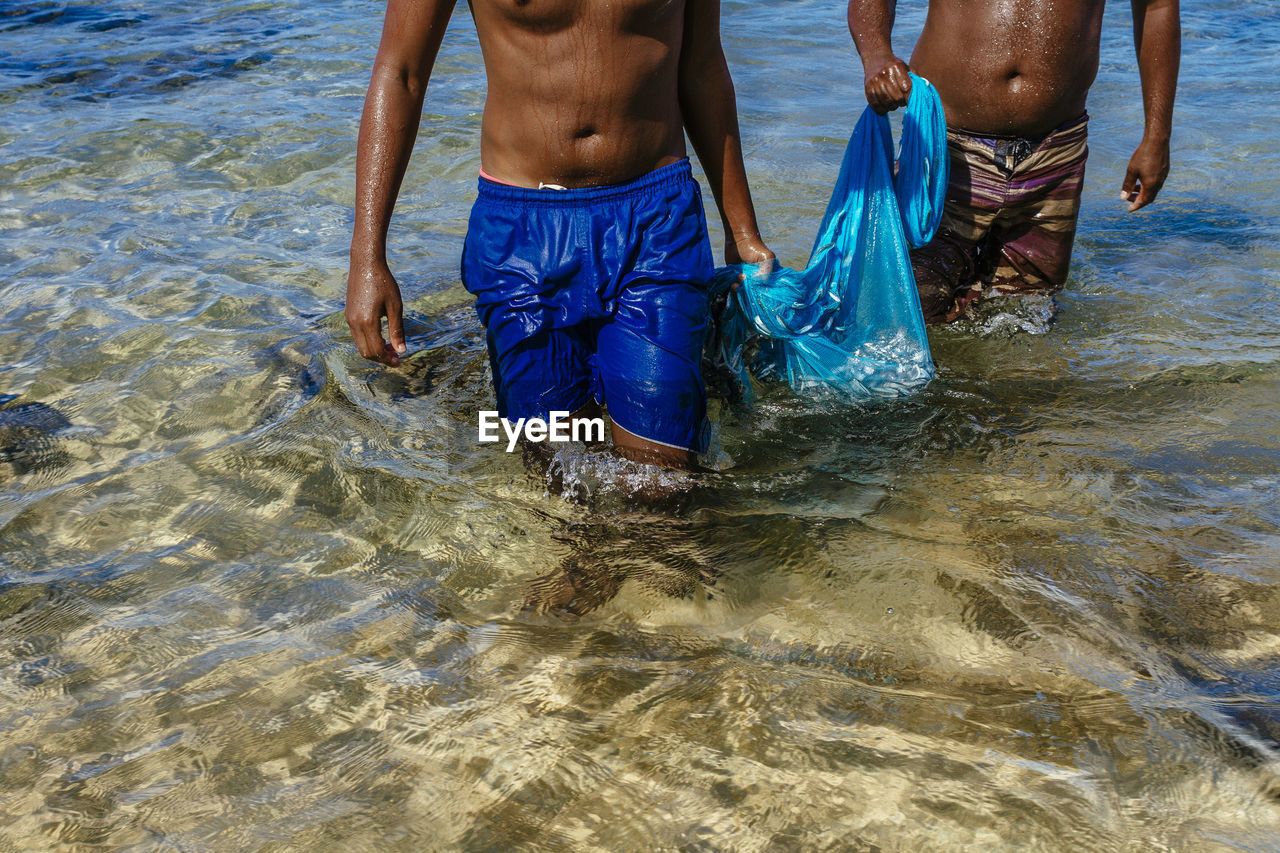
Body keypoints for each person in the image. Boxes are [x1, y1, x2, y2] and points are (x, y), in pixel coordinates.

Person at [344, 0, 774, 470]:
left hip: (654, 222)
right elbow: (401, 73)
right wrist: (368, 258)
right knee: (558, 470)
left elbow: (702, 67)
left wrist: (742, 231)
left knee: (665, 476)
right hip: (521, 235)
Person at [848, 0, 1180, 322]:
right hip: (946, 149)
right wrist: (876, 55)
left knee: (1026, 320)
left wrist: (1157, 136)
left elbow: (1157, 6)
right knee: (909, 309)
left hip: (1055, 157)